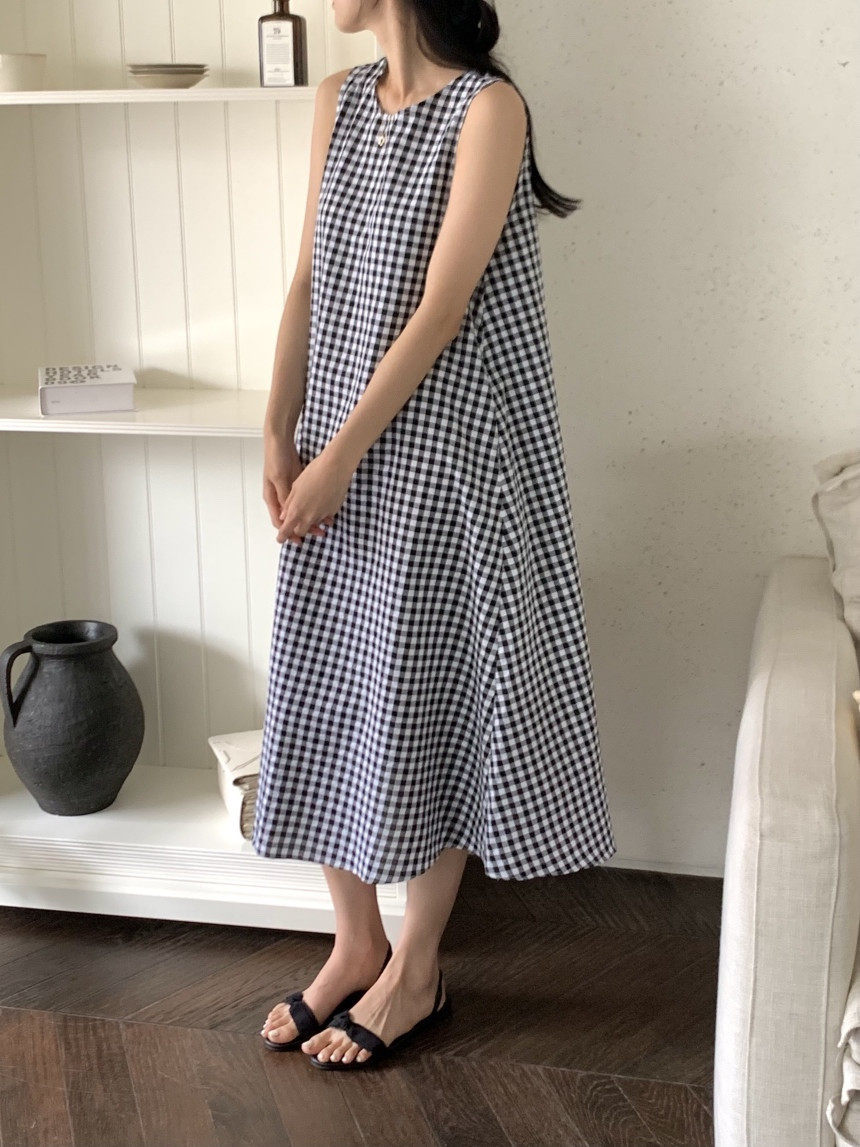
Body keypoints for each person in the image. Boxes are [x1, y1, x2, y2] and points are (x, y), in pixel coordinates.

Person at [255, 0, 617, 1070]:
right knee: (327, 668)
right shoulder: (338, 100)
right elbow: (311, 277)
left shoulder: (488, 109)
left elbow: (443, 308)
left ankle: (416, 965)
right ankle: (355, 941)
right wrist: (277, 427)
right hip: (338, 437)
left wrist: (338, 454)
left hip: (445, 448)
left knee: (433, 686)